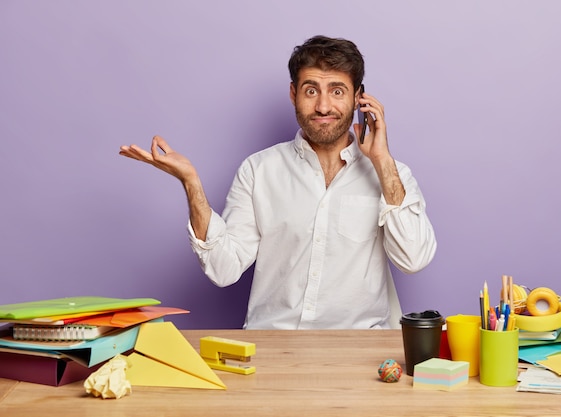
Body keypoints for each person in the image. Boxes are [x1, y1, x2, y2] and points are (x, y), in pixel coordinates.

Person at [119, 35, 436, 329]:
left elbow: (413, 259)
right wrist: (191, 183)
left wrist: (381, 161)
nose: (323, 106)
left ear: (359, 98)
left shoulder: (393, 175)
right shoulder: (258, 171)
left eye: (337, 91)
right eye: (311, 90)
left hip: (359, 351)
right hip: (273, 346)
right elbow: (223, 268)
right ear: (293, 94)